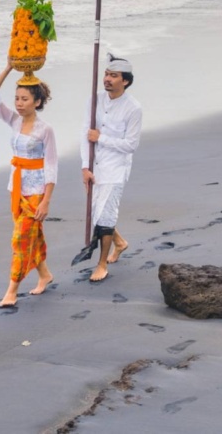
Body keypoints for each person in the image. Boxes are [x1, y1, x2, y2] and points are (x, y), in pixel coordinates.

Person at [0, 60, 58, 307]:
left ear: (37, 102)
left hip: (36, 191)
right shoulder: (14, 121)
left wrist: (46, 200)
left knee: (19, 239)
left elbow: (51, 165)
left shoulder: (45, 129)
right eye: (17, 98)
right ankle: (45, 274)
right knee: (32, 237)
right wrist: (7, 69)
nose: (19, 102)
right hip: (16, 187)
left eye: (24, 98)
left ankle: (12, 289)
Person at [81, 54, 143, 282]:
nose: (106, 79)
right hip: (95, 165)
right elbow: (84, 135)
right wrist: (84, 167)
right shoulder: (94, 100)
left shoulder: (133, 108)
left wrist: (102, 138)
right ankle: (120, 242)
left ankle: (101, 265)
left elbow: (131, 145)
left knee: (105, 216)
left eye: (113, 76)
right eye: (106, 74)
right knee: (98, 209)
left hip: (116, 168)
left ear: (125, 81)